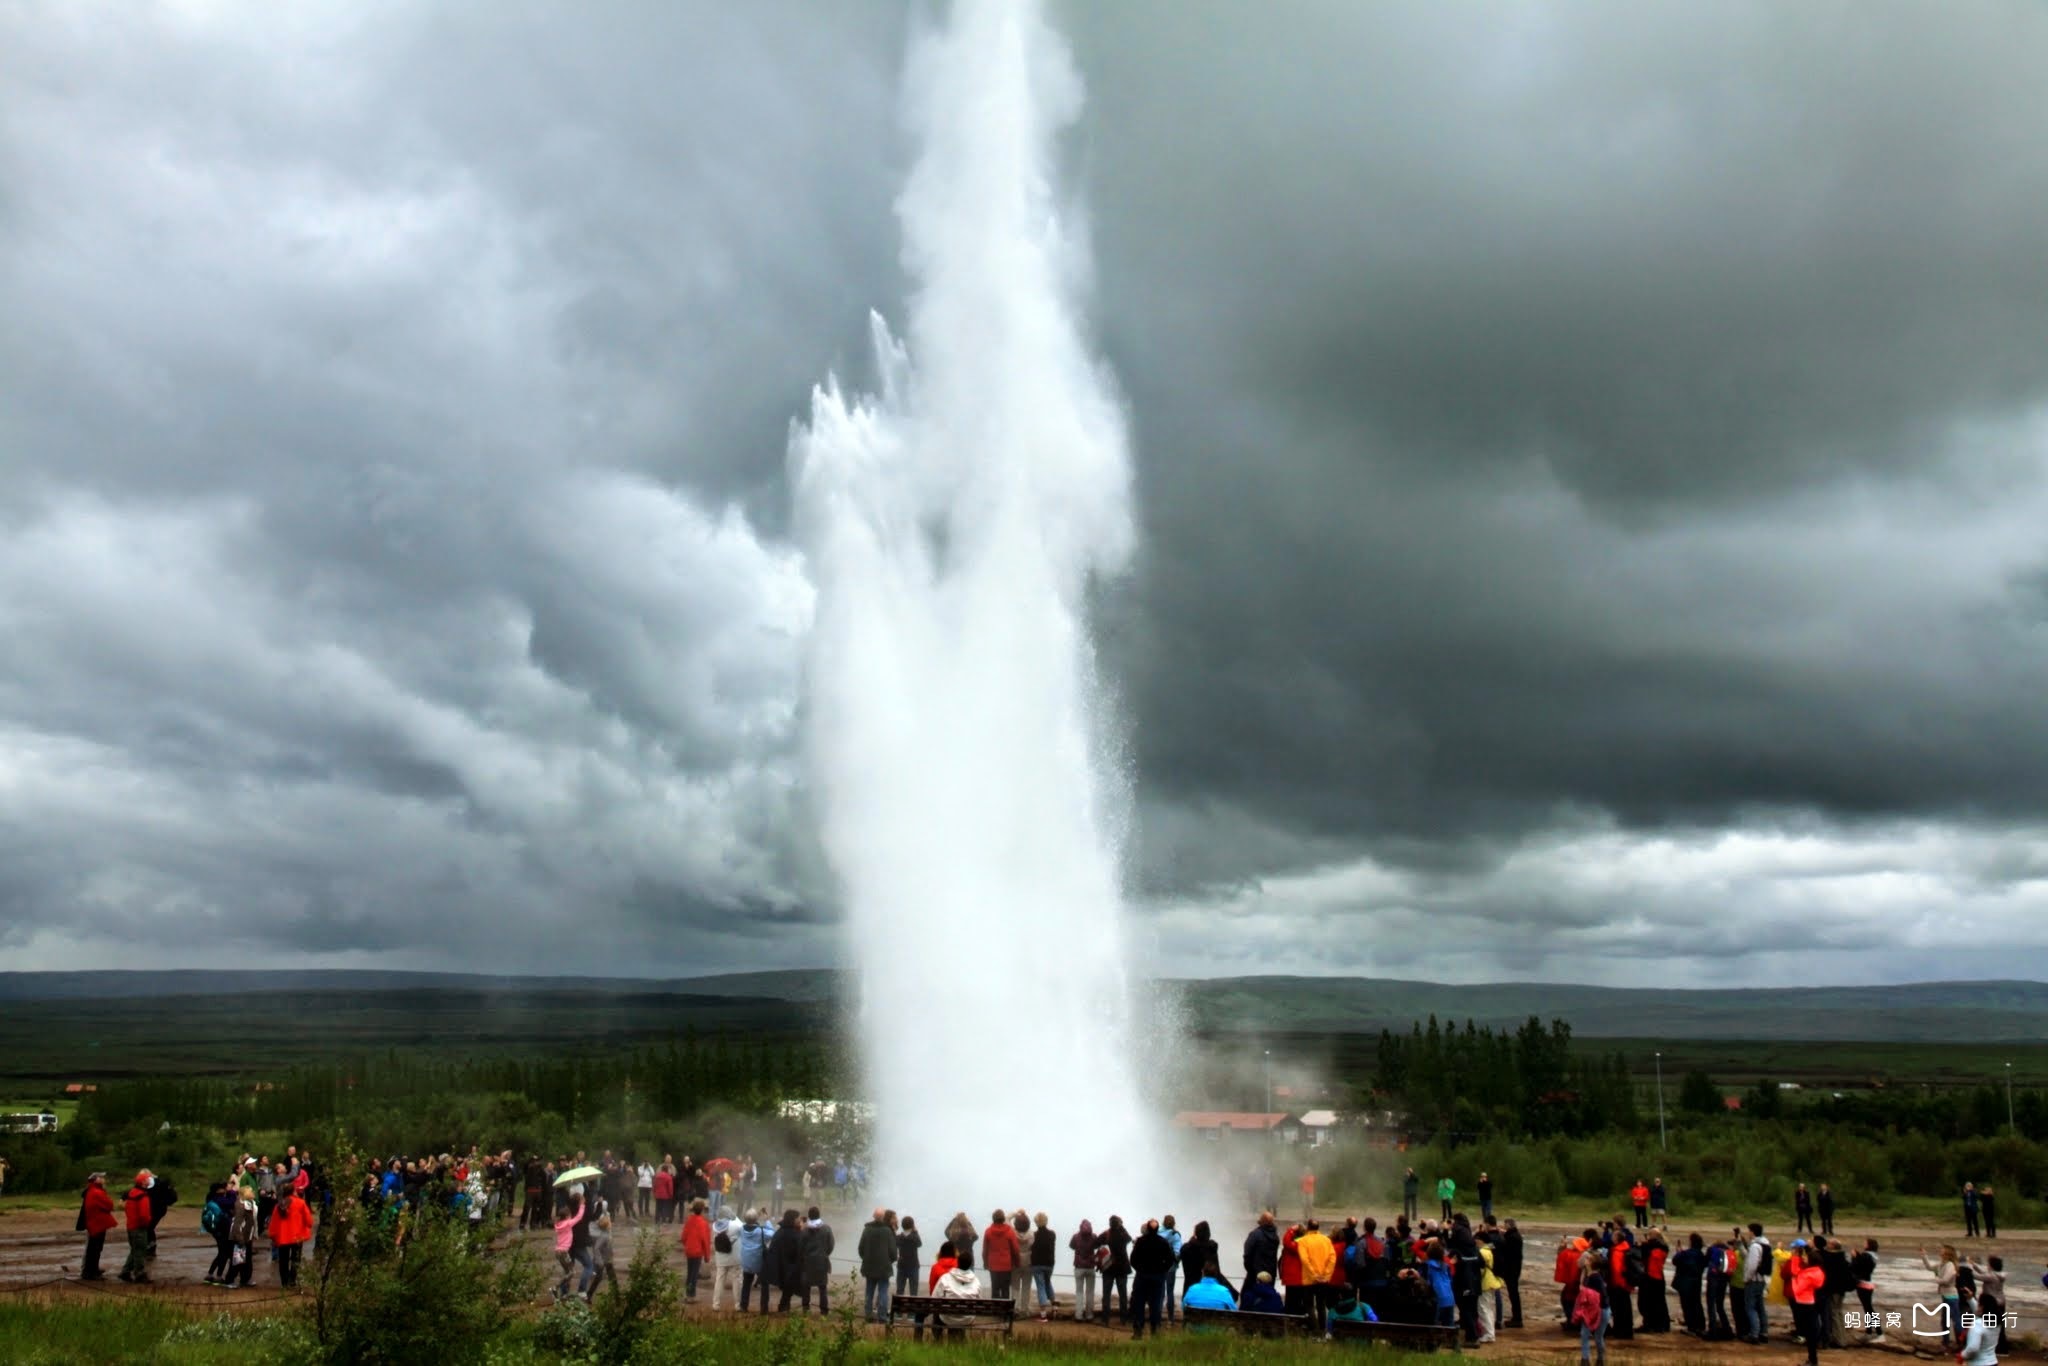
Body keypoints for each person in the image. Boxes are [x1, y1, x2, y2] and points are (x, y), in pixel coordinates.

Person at [1129, 1217, 1175, 1338]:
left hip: (1142, 1277)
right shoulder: (1163, 1242)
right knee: (1155, 1304)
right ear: (1157, 1229)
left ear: (1148, 1229)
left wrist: (1140, 1269)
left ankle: (1138, 1331)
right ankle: (1155, 1331)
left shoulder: (1140, 1242)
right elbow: (1171, 1260)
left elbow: (1132, 1260)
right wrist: (1162, 1270)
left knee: (1139, 1303)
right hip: (1158, 1278)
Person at [1787, 1241, 1825, 1366]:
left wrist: (1794, 1279)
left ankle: (1812, 1360)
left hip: (1804, 1304)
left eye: (1806, 1257)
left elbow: (1797, 1288)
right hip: (1811, 1302)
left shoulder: (1807, 1274)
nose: (1804, 1258)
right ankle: (1812, 1359)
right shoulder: (1817, 1271)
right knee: (1812, 1331)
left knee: (1809, 1333)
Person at [269, 1181, 313, 1288]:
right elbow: (309, 1221)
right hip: (297, 1236)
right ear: (293, 1191)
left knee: (283, 1260)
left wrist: (273, 1235)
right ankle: (292, 1280)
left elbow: (273, 1221)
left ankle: (284, 1282)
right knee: (295, 1259)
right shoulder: (300, 1203)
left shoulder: (279, 1205)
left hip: (283, 1236)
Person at [856, 1207, 895, 1323]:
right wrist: (889, 1261)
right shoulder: (887, 1231)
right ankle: (882, 1317)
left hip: (869, 1267)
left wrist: (866, 1259)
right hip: (884, 1268)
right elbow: (893, 1251)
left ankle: (868, 1315)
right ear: (883, 1218)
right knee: (883, 1292)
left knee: (869, 1292)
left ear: (873, 1217)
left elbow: (860, 1248)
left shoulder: (867, 1230)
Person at [1296, 1218, 1337, 1327]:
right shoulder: (1326, 1240)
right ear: (1318, 1227)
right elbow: (1332, 1259)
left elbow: (1304, 1259)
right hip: (1323, 1279)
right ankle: (1323, 1329)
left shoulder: (1303, 1241)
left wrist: (1314, 1275)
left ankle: (1315, 1330)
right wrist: (1326, 1275)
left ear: (1308, 1227)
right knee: (1321, 1305)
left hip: (1309, 1279)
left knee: (1309, 1305)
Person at [1920, 1243, 1960, 1350]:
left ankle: (1961, 1342)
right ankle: (1946, 1342)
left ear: (1947, 1253)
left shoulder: (1950, 1265)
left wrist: (1936, 1280)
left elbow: (1946, 1280)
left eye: (1942, 1249)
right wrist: (1924, 1255)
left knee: (1956, 1320)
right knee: (1945, 1320)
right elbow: (1929, 1267)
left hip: (1951, 1296)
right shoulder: (1941, 1264)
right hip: (1945, 1296)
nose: (1940, 1250)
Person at [77, 1172, 116, 1281]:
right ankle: (90, 1272)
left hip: (96, 1223)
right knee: (94, 1249)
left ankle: (92, 1270)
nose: (104, 1179)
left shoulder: (93, 1191)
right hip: (96, 1224)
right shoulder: (96, 1192)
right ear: (95, 1180)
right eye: (101, 1177)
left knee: (94, 1249)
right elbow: (110, 1204)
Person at [118, 1171, 154, 1283]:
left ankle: (125, 1272)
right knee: (140, 1251)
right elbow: (144, 1214)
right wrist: (146, 1224)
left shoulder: (132, 1193)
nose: (150, 1180)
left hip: (131, 1226)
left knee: (135, 1250)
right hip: (139, 1228)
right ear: (143, 1182)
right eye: (148, 1179)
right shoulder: (143, 1196)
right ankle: (139, 1274)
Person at [737, 1207, 772, 1313]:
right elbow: (772, 1233)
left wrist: (754, 1216)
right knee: (765, 1285)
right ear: (756, 1219)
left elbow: (747, 1222)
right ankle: (764, 1308)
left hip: (746, 1261)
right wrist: (767, 1220)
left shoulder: (741, 1229)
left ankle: (743, 1306)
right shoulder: (760, 1231)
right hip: (759, 1261)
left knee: (746, 1284)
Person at [981, 1207, 1021, 1300]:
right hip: (1006, 1265)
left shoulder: (988, 1232)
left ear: (993, 1218)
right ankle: (1004, 1312)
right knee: (1005, 1289)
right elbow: (1015, 1249)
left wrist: (985, 1263)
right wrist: (1017, 1262)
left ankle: (996, 1311)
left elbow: (985, 1250)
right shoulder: (1009, 1231)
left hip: (993, 1265)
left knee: (995, 1289)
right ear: (1003, 1218)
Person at [801, 1205, 835, 1315]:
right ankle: (824, 1311)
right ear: (819, 1215)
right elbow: (831, 1245)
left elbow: (800, 1247)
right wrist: (825, 1254)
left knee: (806, 1287)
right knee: (822, 1288)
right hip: (822, 1261)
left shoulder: (805, 1230)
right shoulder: (826, 1228)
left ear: (809, 1216)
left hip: (807, 1263)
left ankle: (805, 1310)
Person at [1574, 1262, 1609, 1366]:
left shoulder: (1595, 1278)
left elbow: (1600, 1296)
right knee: (1594, 1336)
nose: (1585, 1260)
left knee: (1589, 1335)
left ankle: (1592, 1360)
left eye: (1588, 1259)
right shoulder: (1591, 1275)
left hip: (1597, 1309)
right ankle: (1593, 1360)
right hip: (1600, 1309)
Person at [1742, 1222, 1772, 1343]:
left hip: (1754, 1280)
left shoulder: (1755, 1246)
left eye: (1749, 1231)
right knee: (1760, 1307)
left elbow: (1752, 1265)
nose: (1748, 1233)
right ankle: (1764, 1332)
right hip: (1762, 1280)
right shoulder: (1766, 1244)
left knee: (1750, 1308)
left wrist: (1747, 1278)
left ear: (1752, 1232)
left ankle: (1754, 1334)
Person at [709, 1206, 743, 1310]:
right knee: (737, 1280)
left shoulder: (714, 1226)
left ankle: (716, 1304)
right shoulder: (735, 1225)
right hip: (735, 1258)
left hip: (721, 1258)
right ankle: (738, 1305)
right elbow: (741, 1225)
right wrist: (734, 1216)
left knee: (719, 1280)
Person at [1673, 1232, 1706, 1335]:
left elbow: (1675, 1260)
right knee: (1696, 1304)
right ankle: (1700, 1326)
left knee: (1687, 1305)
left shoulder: (1686, 1253)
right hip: (1696, 1283)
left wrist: (1678, 1252)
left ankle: (1691, 1327)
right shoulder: (1701, 1254)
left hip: (1685, 1283)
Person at [1099, 1214, 1132, 1320]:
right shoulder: (1123, 1234)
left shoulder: (1106, 1234)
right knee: (1123, 1294)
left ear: (1110, 1223)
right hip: (1122, 1268)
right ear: (1119, 1223)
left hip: (1108, 1267)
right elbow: (1129, 1239)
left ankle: (1105, 1318)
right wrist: (1122, 1227)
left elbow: (1096, 1243)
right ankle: (1123, 1318)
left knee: (1106, 1294)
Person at [681, 1198, 712, 1300]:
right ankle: (691, 1296)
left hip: (689, 1250)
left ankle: (687, 1294)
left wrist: (687, 1245)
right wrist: (707, 1256)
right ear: (702, 1210)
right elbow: (705, 1241)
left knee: (690, 1273)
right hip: (697, 1252)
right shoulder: (703, 1223)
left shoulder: (689, 1220)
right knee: (694, 1274)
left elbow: (683, 1237)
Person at [1029, 1212, 1058, 1319]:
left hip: (1037, 1264)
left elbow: (1030, 1248)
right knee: (1047, 1282)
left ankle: (1043, 1314)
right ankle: (1054, 1306)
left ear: (1036, 1222)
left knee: (1041, 1286)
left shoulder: (1033, 1235)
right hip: (1049, 1264)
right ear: (1046, 1221)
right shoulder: (1052, 1234)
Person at [1960, 1288, 1998, 1366]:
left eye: (1979, 1304)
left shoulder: (1977, 1324)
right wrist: (1970, 1299)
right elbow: (1978, 1312)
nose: (1977, 1306)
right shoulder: (1996, 1322)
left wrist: (1962, 1355)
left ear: (1982, 1307)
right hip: (1993, 1362)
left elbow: (1973, 1348)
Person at [1497, 1217, 1524, 1327]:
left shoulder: (1512, 1238)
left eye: (1505, 1225)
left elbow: (1504, 1248)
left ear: (1508, 1225)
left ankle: (1517, 1318)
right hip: (1515, 1268)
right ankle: (1517, 1317)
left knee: (1513, 1293)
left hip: (1511, 1270)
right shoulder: (1515, 1235)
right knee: (1514, 1293)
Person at [1849, 1238, 1879, 1338]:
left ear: (1869, 1245)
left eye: (1865, 1243)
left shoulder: (1866, 1255)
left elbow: (1856, 1267)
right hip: (1869, 1284)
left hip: (1863, 1285)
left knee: (1869, 1310)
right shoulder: (1873, 1255)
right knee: (1868, 1309)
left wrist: (1854, 1257)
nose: (1863, 1244)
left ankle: (1878, 1332)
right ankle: (1869, 1331)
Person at [1070, 1218, 1099, 1321]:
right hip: (1090, 1267)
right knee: (1090, 1292)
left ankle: (1078, 1315)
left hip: (1079, 1267)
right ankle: (1089, 1315)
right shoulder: (1094, 1237)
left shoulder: (1076, 1237)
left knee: (1079, 1292)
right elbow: (1097, 1246)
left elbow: (1071, 1246)